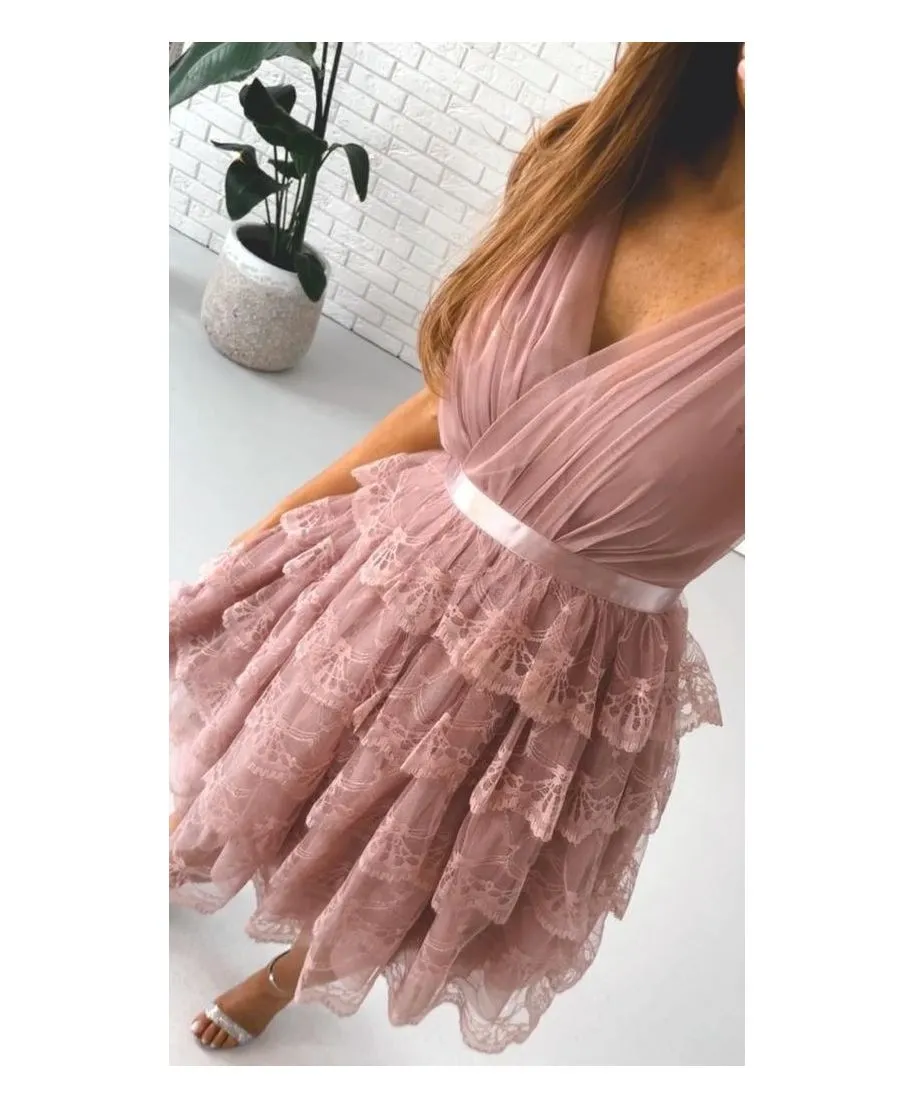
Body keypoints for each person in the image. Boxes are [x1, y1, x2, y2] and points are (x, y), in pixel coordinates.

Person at [170, 41, 746, 1055]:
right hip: (404, 555)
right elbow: (448, 398)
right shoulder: (593, 154)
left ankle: (286, 975)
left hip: (562, 666)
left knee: (419, 854)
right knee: (281, 741)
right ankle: (184, 854)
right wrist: (283, 516)